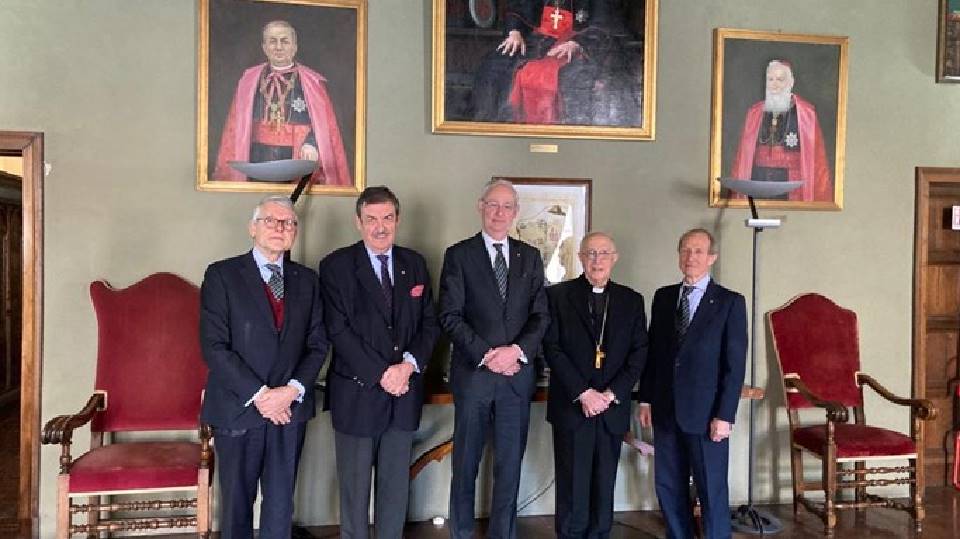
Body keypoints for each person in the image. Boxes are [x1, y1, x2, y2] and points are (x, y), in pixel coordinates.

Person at [199, 195, 328, 538]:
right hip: (238, 410)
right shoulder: (222, 275)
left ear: (295, 233)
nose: (279, 228)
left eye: (288, 223)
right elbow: (214, 347)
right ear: (252, 228)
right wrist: (261, 396)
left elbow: (318, 344)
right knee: (236, 509)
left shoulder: (308, 280)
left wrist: (291, 391)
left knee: (281, 507)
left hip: (290, 411)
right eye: (271, 220)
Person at [318, 186, 441, 539]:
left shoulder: (414, 264)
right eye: (371, 219)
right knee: (354, 496)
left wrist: (407, 367)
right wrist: (382, 373)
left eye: (387, 218)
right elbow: (337, 329)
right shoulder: (336, 266)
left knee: (394, 493)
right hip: (357, 395)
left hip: (404, 394)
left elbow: (429, 324)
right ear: (358, 222)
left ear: (398, 220)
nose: (380, 226)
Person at [439, 178, 550, 539]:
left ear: (515, 212)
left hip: (516, 378)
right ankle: (461, 533)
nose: (499, 213)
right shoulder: (459, 255)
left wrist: (515, 352)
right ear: (480, 207)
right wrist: (488, 355)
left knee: (509, 467)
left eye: (507, 206)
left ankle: (503, 534)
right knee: (465, 464)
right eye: (493, 205)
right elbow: (449, 316)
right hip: (474, 377)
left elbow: (540, 316)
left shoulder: (529, 257)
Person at [636, 228, 747, 539]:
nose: (691, 257)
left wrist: (725, 415)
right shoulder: (663, 297)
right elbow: (654, 353)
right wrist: (645, 398)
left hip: (707, 415)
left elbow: (734, 366)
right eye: (685, 250)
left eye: (698, 251)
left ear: (712, 257)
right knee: (669, 486)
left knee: (711, 489)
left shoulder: (729, 302)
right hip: (665, 410)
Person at [543, 232, 648, 539]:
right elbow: (552, 348)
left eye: (604, 254)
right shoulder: (558, 296)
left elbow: (639, 353)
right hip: (573, 407)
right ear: (580, 258)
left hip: (611, 408)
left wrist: (611, 394)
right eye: (590, 253)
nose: (597, 260)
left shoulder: (631, 300)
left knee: (604, 486)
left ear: (614, 258)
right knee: (572, 487)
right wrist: (584, 393)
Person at [213, 20, 351, 186]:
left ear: (294, 47)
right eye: (272, 41)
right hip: (257, 158)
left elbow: (324, 127)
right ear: (264, 47)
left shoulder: (312, 82)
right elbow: (236, 127)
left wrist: (312, 144)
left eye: (284, 41)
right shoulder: (249, 79)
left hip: (297, 157)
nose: (278, 47)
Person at [472, 0, 638, 126]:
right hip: (536, 39)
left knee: (573, 77)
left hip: (580, 39)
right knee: (495, 67)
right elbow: (519, 8)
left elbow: (604, 21)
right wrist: (514, 31)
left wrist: (578, 43)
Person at [730, 59, 832, 202]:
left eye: (780, 79)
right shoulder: (755, 113)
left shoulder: (806, 114)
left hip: (792, 186)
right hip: (759, 181)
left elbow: (818, 162)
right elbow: (742, 158)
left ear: (791, 82)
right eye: (770, 79)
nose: (774, 84)